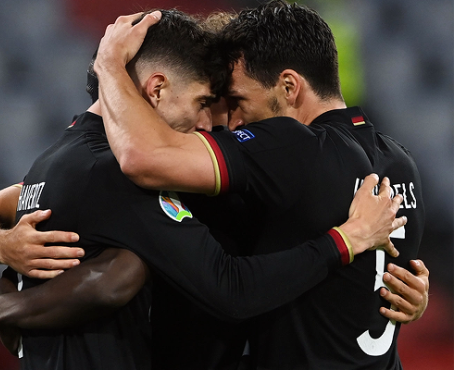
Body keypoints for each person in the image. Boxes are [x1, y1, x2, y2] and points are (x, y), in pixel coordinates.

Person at [0, 9, 410, 370]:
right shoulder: (116, 174)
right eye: (203, 103)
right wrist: (345, 243)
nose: (209, 125)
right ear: (155, 89)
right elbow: (230, 289)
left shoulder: (54, 162)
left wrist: (3, 266)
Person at [92, 1, 427, 368]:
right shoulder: (399, 161)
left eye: (237, 101)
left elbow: (144, 157)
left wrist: (109, 64)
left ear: (288, 86)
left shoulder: (292, 147)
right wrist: (414, 300)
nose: (233, 122)